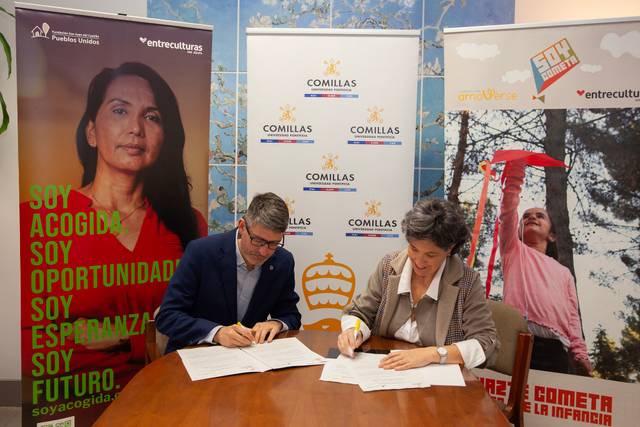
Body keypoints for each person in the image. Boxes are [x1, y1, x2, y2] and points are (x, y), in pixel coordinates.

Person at [20, 62, 207, 385]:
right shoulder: (36, 220)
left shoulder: (189, 224)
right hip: (75, 403)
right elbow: (25, 345)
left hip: (169, 396)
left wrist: (122, 336)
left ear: (165, 137)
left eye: (152, 116)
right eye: (120, 111)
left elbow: (201, 329)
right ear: (91, 132)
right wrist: (153, 339)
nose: (136, 128)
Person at [337, 199, 498, 370]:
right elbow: (361, 312)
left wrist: (431, 354)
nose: (419, 262)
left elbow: (486, 342)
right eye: (414, 249)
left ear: (449, 249)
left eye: (431, 255)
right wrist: (353, 332)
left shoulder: (467, 282)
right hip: (385, 372)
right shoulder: (389, 266)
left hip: (438, 386)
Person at [156, 192, 302, 353]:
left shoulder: (283, 261)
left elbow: (291, 315)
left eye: (273, 243)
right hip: (196, 355)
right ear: (241, 227)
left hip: (248, 361)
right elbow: (167, 316)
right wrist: (216, 333)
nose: (263, 251)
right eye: (258, 241)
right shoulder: (201, 252)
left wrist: (276, 323)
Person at [499, 160, 591, 375]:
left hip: (554, 347)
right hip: (516, 336)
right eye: (526, 216)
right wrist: (515, 174)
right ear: (518, 231)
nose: (531, 217)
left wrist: (579, 353)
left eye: (540, 216)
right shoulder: (513, 250)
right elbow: (508, 211)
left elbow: (572, 315)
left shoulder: (564, 273)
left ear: (552, 235)